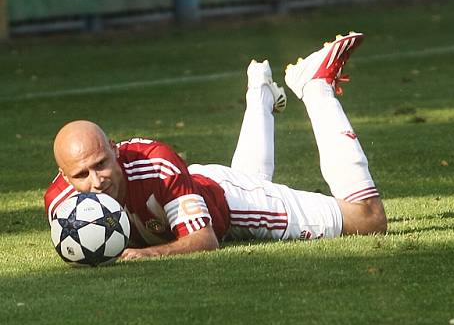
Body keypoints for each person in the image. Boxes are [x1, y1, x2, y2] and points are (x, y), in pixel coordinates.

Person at [44, 33, 387, 259]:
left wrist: (146, 255)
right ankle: (261, 93)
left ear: (115, 149)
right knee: (253, 180)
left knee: (367, 220)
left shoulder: (156, 165)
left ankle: (316, 86)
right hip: (191, 190)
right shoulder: (60, 204)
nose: (96, 180)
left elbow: (205, 241)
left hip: (228, 202)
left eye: (101, 163)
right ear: (64, 176)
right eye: (81, 174)